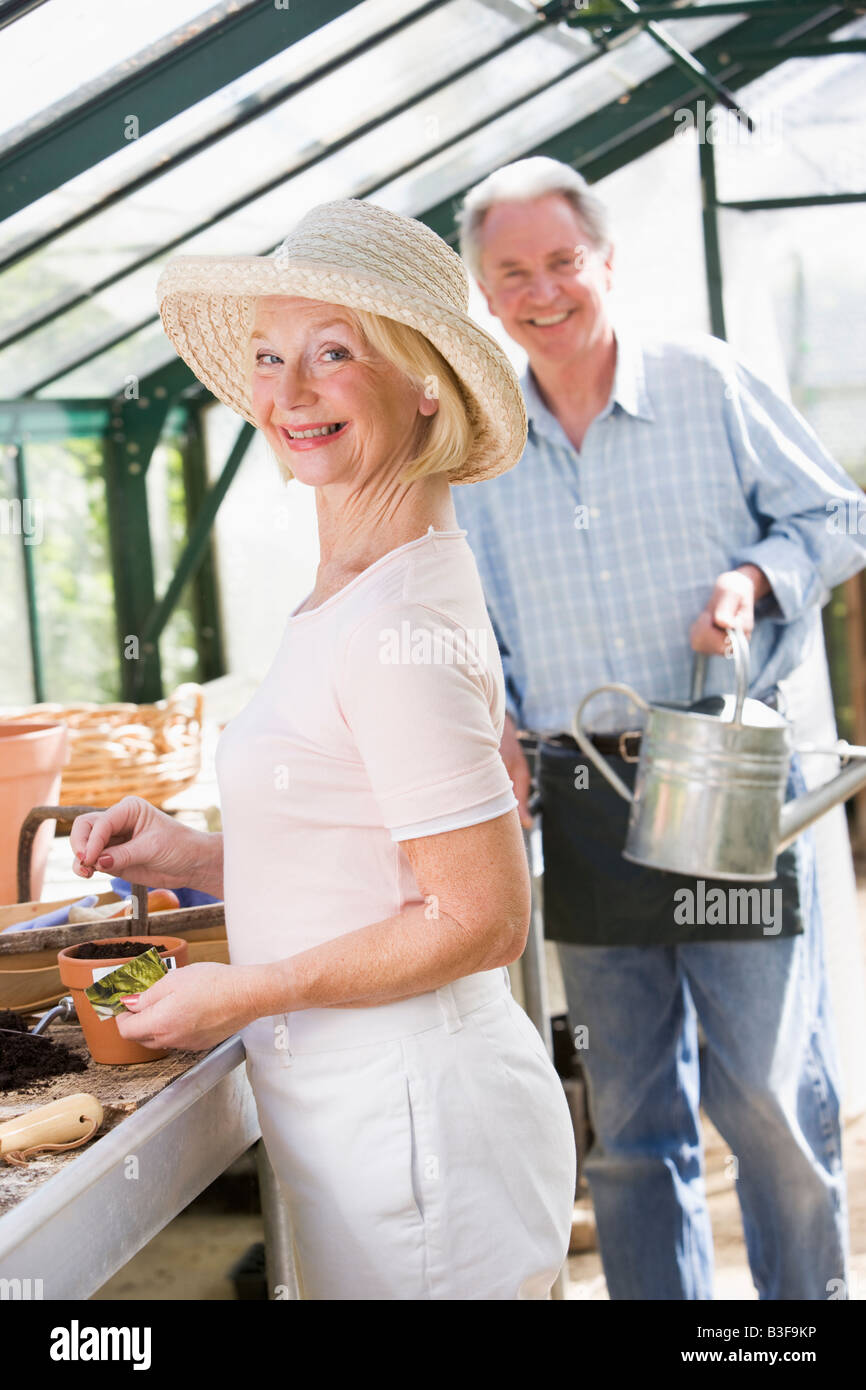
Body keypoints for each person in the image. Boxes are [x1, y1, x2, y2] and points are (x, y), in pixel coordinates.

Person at [69, 199, 577, 1301]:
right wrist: (197, 856)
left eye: (333, 353)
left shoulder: (392, 619)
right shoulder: (356, 587)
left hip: (418, 1127)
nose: (288, 393)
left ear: (424, 377)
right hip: (376, 1127)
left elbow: (480, 915)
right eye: (268, 356)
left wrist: (249, 988)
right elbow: (372, 849)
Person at [450, 156, 866, 1300]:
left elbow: (836, 516)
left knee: (768, 1102)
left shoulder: (705, 381)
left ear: (604, 264)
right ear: (482, 292)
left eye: (560, 263)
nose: (541, 292)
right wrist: (491, 726)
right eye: (511, 273)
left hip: (720, 776)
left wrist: (753, 579)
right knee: (629, 1127)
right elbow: (477, 628)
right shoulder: (479, 450)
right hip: (579, 794)